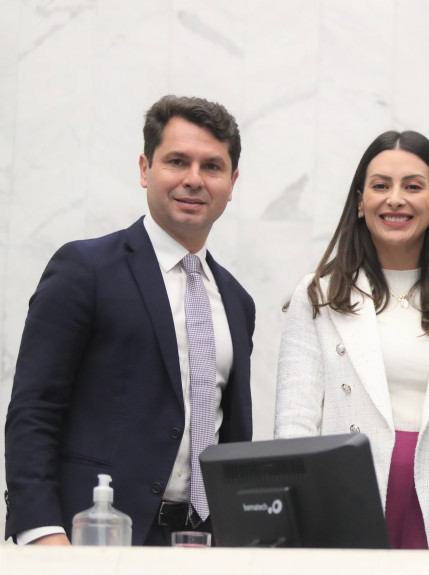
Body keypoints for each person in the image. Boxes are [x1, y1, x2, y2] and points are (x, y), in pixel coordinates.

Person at [4, 95, 255, 546]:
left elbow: (231, 436)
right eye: (177, 161)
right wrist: (42, 533)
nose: (193, 179)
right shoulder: (85, 269)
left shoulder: (237, 302)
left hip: (203, 544)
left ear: (232, 182)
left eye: (212, 167)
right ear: (145, 169)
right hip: (93, 537)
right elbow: (34, 410)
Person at [275, 130, 429, 550]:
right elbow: (295, 426)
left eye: (413, 186)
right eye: (381, 185)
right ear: (360, 202)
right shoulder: (319, 295)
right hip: (344, 499)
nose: (395, 199)